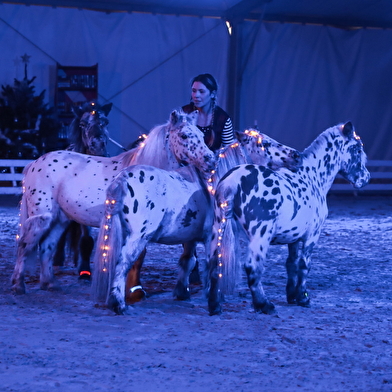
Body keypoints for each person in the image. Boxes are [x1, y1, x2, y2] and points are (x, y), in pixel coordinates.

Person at [182, 73, 235, 151]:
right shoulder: (184, 113)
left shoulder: (222, 119)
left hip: (213, 162)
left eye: (201, 91)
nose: (196, 95)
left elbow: (229, 151)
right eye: (194, 91)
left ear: (212, 94)